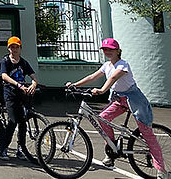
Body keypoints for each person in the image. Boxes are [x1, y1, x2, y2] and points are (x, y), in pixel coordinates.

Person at [68, 38, 167, 178]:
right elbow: (92, 76)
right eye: (104, 49)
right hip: (118, 99)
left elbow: (114, 78)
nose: (107, 52)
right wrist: (75, 85)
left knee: (146, 132)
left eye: (110, 49)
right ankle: (112, 150)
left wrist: (102, 90)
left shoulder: (123, 64)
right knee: (102, 118)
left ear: (117, 51)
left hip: (134, 99)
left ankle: (162, 170)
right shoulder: (106, 65)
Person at [0, 36, 38, 160]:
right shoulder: (6, 61)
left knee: (23, 122)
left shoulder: (23, 62)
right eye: (12, 47)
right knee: (12, 121)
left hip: (22, 95)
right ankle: (3, 148)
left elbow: (33, 76)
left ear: (20, 48)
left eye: (16, 47)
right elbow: (4, 75)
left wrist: (34, 84)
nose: (14, 50)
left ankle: (21, 149)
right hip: (10, 94)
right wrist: (18, 84)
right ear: (8, 48)